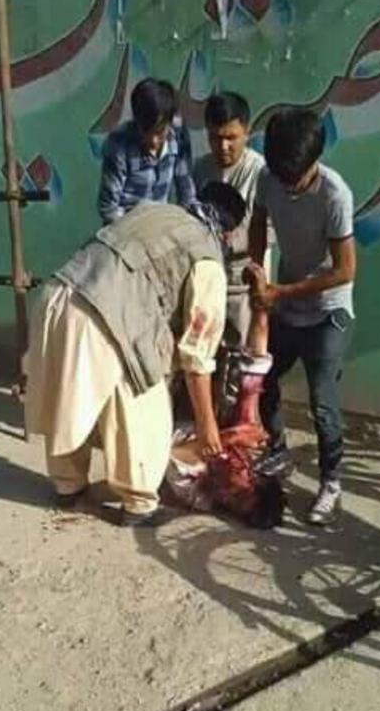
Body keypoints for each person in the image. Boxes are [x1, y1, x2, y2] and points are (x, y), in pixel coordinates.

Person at [25, 183, 247, 526]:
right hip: (105, 318)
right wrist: (207, 427)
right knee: (144, 410)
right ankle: (139, 505)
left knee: (68, 396)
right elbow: (197, 357)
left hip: (58, 294)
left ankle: (68, 487)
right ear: (229, 232)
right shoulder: (207, 258)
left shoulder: (156, 211)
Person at [245, 107, 357, 526]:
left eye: (297, 179)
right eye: (282, 178)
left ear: (314, 160)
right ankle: (278, 451)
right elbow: (258, 221)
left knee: (321, 403)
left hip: (328, 311)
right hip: (288, 303)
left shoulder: (335, 195)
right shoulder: (268, 178)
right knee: (263, 379)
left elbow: (345, 270)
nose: (288, 187)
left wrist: (282, 292)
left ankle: (332, 482)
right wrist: (256, 268)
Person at [193, 91, 268, 346]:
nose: (223, 146)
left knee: (243, 357)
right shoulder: (199, 169)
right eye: (215, 138)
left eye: (231, 138)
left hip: (243, 287)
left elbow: (267, 232)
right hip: (205, 282)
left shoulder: (260, 173)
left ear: (247, 132)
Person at [97, 78, 197, 225]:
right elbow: (108, 209)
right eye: (146, 131)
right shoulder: (119, 144)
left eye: (160, 132)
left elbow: (186, 193)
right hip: (125, 227)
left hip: (161, 225)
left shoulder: (179, 134)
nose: (154, 141)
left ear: (169, 123)